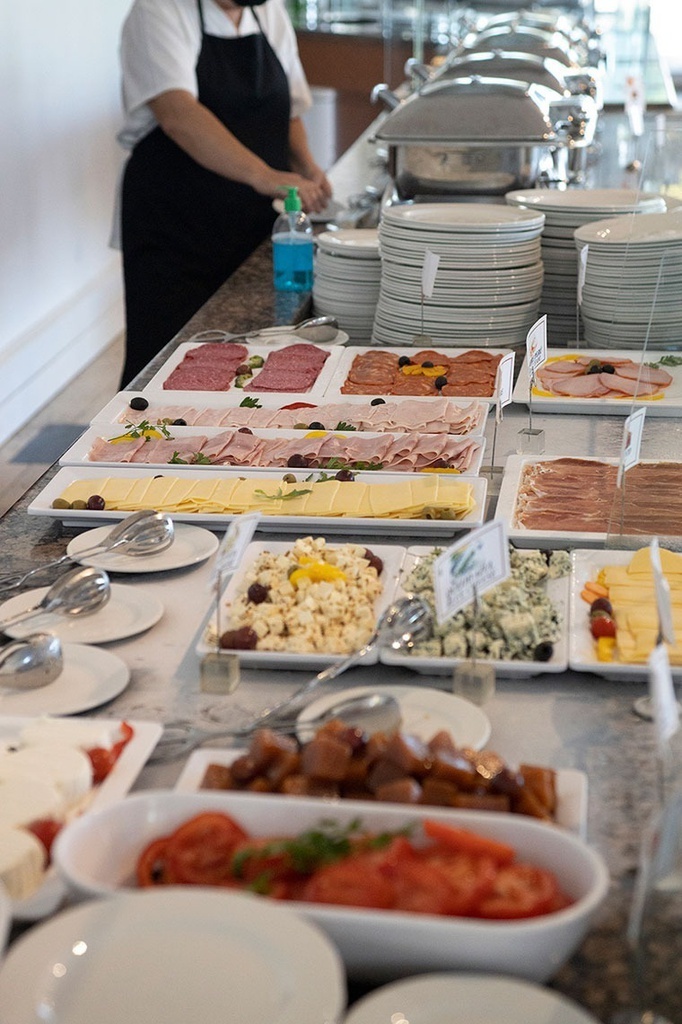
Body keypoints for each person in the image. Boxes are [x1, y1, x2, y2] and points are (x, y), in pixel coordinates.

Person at [116, 0, 332, 385]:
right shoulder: (158, 10)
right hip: (177, 224)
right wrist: (264, 175)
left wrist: (307, 167)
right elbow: (178, 114)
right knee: (168, 363)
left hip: (251, 221)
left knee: (251, 361)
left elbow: (288, 110)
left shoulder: (268, 12)